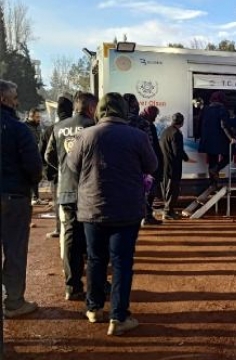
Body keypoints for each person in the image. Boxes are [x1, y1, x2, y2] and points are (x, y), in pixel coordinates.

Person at [67, 92, 157, 336]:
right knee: (122, 263)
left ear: (100, 111)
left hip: (92, 210)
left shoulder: (86, 135)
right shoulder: (137, 136)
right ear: (122, 110)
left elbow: (72, 167)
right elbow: (152, 166)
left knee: (96, 260)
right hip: (126, 211)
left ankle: (93, 308)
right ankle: (119, 317)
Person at [46, 92, 98, 300]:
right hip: (89, 191)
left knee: (69, 238)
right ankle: (97, 285)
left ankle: (72, 286)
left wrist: (65, 170)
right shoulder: (93, 127)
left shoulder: (58, 127)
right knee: (92, 238)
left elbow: (48, 156)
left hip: (66, 189)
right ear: (91, 108)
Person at [0, 79, 43, 318]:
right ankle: (14, 302)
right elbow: (34, 166)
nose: (16, 101)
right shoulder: (18, 129)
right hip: (14, 198)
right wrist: (30, 184)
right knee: (14, 251)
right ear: (4, 99)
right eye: (14, 97)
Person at [43, 96, 74, 239]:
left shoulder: (52, 129)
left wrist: (51, 172)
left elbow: (44, 153)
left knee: (59, 204)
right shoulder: (81, 126)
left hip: (58, 175)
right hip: (77, 175)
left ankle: (59, 229)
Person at [159, 113, 193, 219]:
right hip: (173, 166)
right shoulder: (176, 133)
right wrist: (186, 158)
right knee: (173, 189)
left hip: (164, 165)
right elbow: (177, 151)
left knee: (166, 188)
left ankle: (168, 210)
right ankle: (168, 212)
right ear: (181, 122)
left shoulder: (165, 131)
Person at [198, 91, 236, 182]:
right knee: (229, 156)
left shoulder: (205, 109)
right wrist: (231, 138)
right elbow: (224, 125)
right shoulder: (222, 109)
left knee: (212, 161)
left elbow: (199, 123)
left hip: (207, 140)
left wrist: (199, 135)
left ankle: (213, 183)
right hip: (219, 140)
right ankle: (216, 170)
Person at [139, 105, 164, 225]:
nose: (155, 118)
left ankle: (146, 215)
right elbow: (151, 146)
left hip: (143, 163)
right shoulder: (146, 125)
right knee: (149, 191)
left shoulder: (144, 123)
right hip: (147, 164)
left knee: (148, 191)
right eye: (154, 115)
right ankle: (146, 216)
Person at [23, 108, 47, 205]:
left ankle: (35, 197)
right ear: (31, 117)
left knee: (35, 177)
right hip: (27, 156)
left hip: (35, 155)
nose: (39, 119)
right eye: (37, 117)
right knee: (28, 178)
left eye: (39, 117)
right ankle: (29, 198)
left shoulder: (37, 127)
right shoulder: (24, 127)